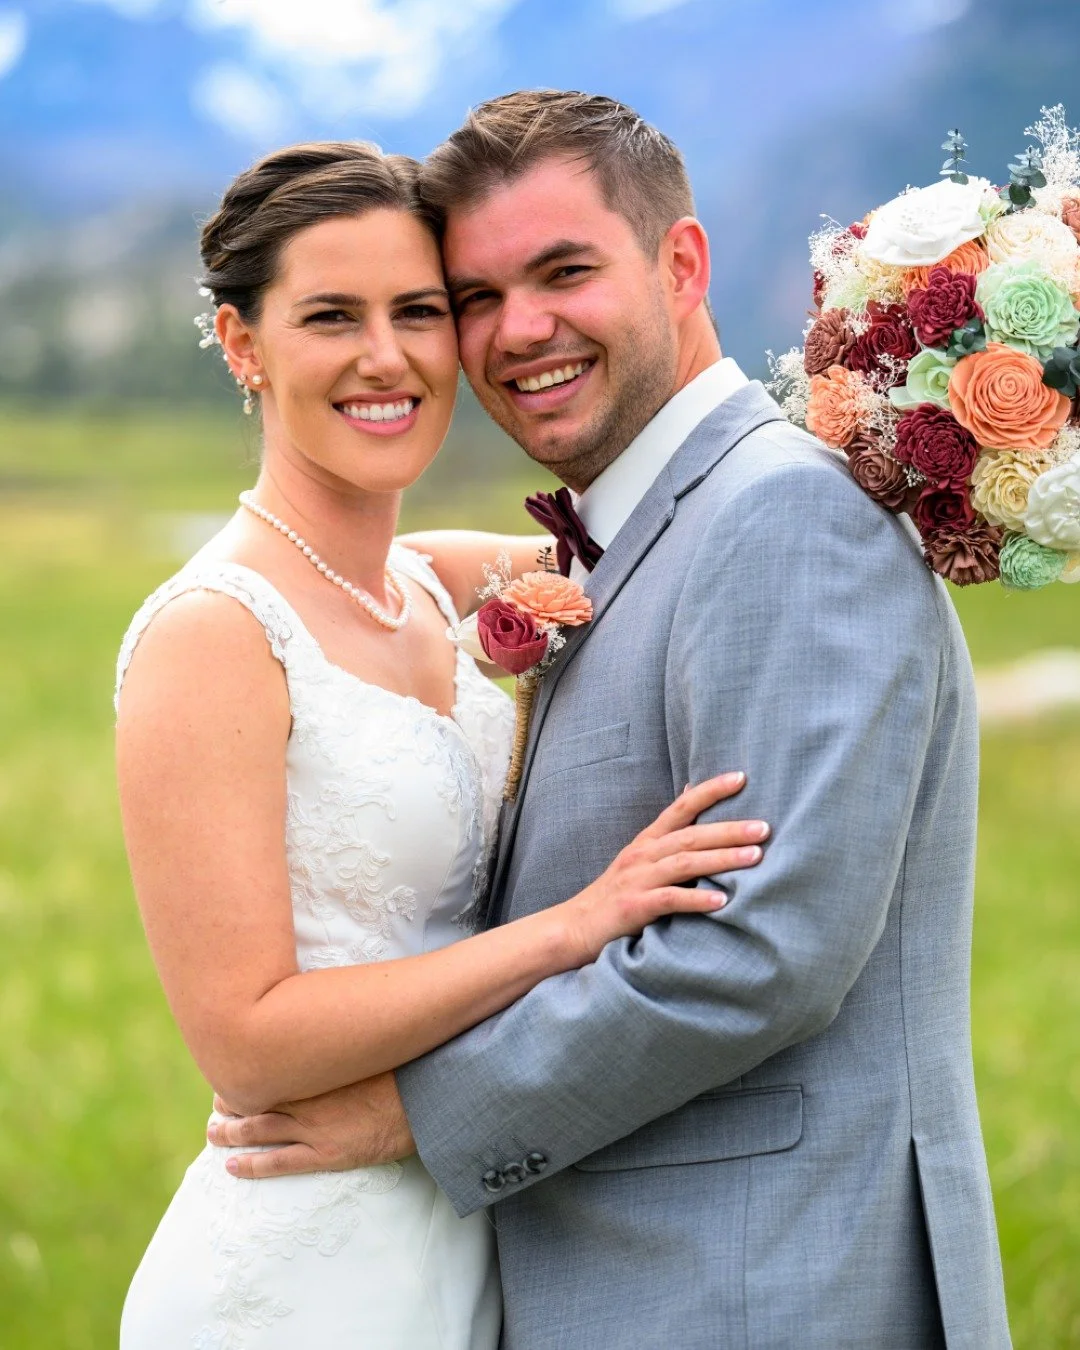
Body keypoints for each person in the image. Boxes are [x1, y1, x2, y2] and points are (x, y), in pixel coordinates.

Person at [214, 93, 1012, 1348]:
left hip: (767, 1284)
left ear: (679, 264)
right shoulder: (633, 529)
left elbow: (759, 952)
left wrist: (414, 1117)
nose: (518, 331)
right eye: (474, 295)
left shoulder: (779, 518)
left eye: (564, 272)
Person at [114, 140, 770, 1349]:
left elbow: (700, 537)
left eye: (421, 311)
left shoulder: (447, 582)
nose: (389, 356)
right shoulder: (213, 635)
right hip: (307, 1266)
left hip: (483, 1226)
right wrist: (570, 929)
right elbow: (248, 1041)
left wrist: (917, 436)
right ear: (242, 345)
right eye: (331, 316)